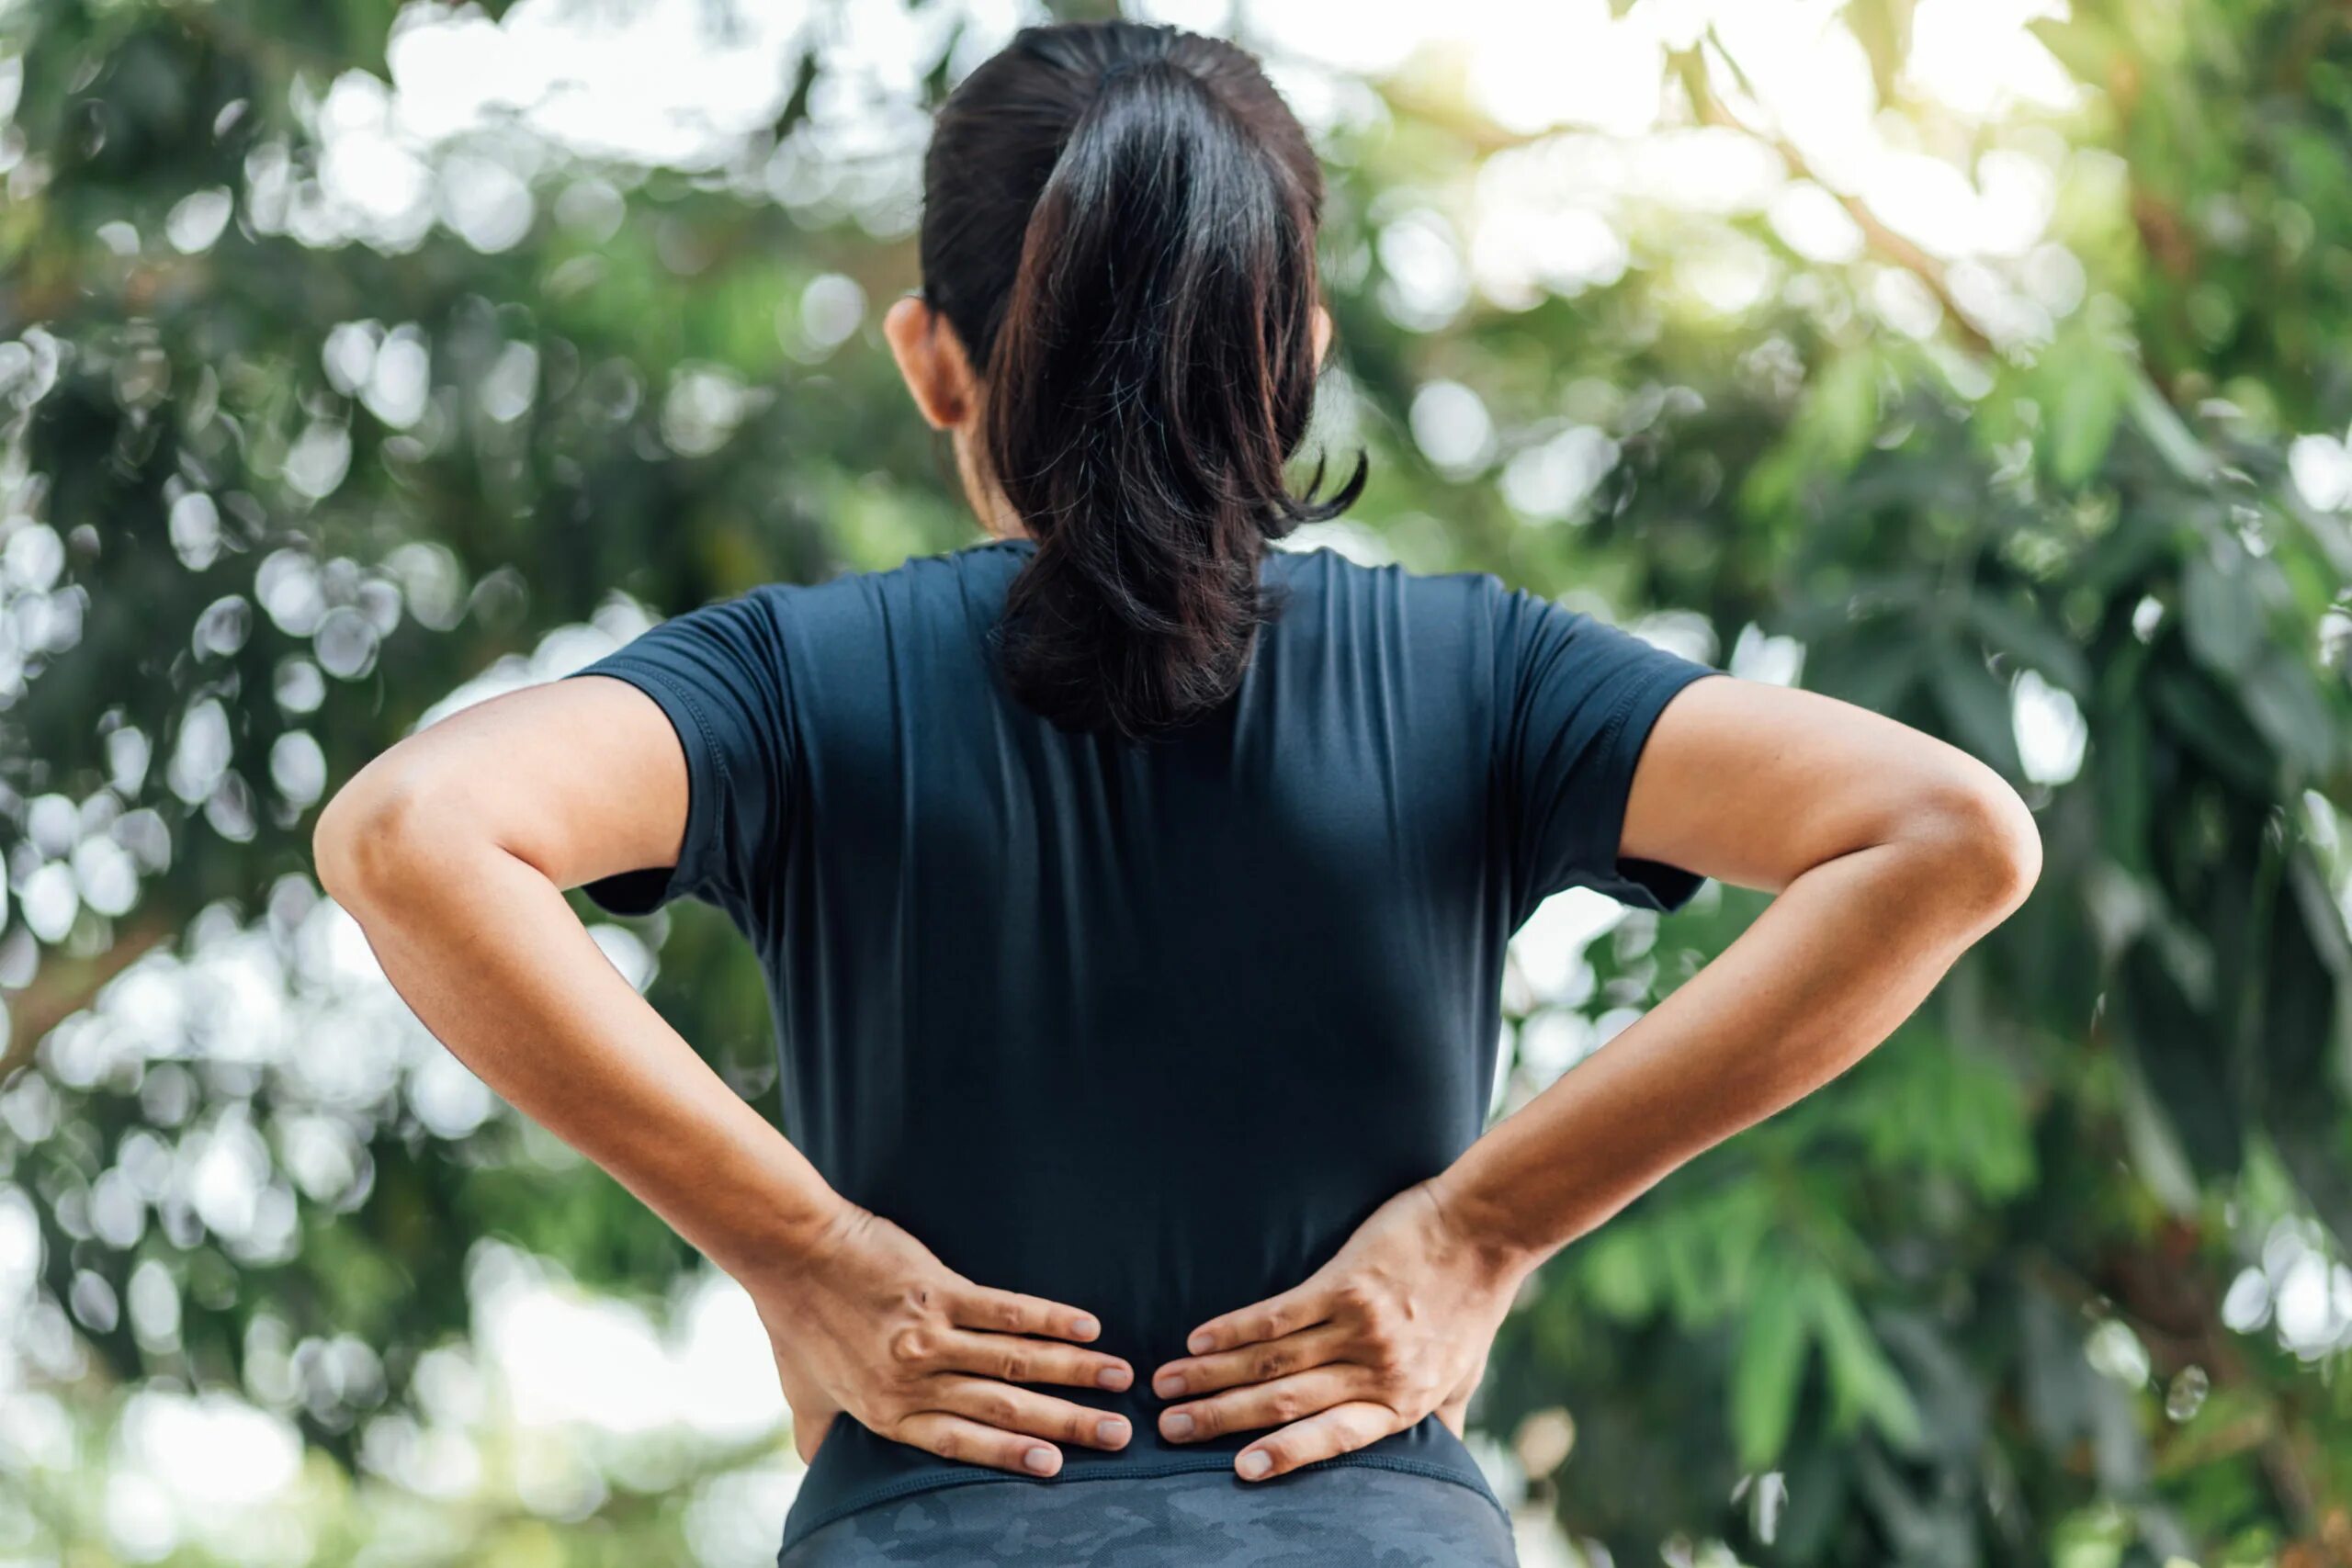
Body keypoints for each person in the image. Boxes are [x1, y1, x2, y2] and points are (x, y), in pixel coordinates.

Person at [311, 17, 2041, 1566]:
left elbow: (408, 833)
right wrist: (1484, 1230)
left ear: (932, 358)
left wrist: (798, 1256)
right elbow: (1947, 832)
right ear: (1295, 351)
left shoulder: (792, 682)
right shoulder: (1480, 674)